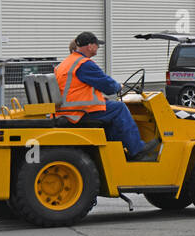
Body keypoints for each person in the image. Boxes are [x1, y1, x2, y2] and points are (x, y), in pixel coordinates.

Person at [55, 31, 160, 161]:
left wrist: (99, 98)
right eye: (97, 45)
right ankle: (137, 149)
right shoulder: (84, 64)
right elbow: (108, 85)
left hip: (67, 110)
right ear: (90, 46)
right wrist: (118, 87)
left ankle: (118, 152)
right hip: (78, 112)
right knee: (119, 108)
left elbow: (75, 88)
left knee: (110, 113)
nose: (98, 47)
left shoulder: (66, 63)